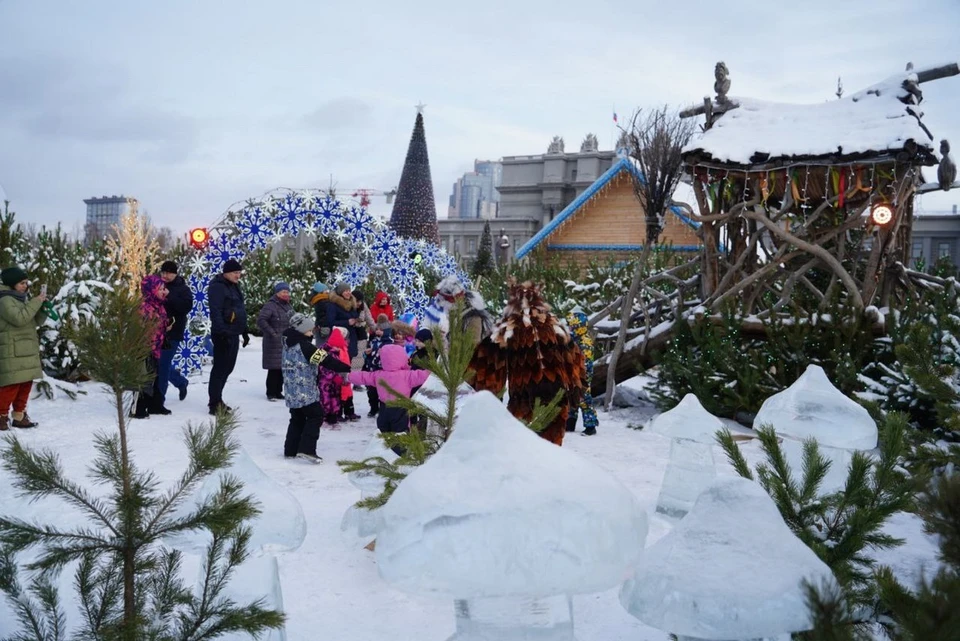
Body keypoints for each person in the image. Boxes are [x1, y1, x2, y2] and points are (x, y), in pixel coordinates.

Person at [281, 312, 351, 463]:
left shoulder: (287, 344)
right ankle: (307, 449)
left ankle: (291, 449)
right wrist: (346, 367)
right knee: (315, 415)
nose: (312, 331)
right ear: (302, 329)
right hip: (305, 389)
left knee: (297, 417)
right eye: (310, 329)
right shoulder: (305, 347)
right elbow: (325, 360)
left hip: (291, 390)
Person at [348, 344, 430, 451]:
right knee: (400, 433)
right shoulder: (408, 375)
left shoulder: (378, 375)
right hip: (401, 409)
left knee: (384, 431)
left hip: (384, 408)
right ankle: (399, 455)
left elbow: (363, 376)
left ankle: (383, 452)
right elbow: (425, 375)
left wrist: (348, 376)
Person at [0, 266, 48, 431]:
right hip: (12, 350)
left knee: (25, 384)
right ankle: (2, 416)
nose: (26, 285)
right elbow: (20, 319)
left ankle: (20, 416)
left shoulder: (21, 298)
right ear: (12, 283)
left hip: (26, 348)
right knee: (11, 385)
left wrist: (42, 310)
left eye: (26, 282)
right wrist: (36, 302)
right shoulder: (5, 300)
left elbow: (34, 322)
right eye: (22, 283)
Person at [207, 259, 248, 415]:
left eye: (239, 273)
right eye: (235, 273)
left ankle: (218, 399)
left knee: (228, 368)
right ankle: (214, 403)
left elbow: (240, 310)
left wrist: (244, 331)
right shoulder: (218, 287)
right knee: (220, 368)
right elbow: (216, 311)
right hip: (223, 334)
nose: (238, 276)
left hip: (233, 332)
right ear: (226, 273)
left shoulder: (234, 287)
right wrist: (221, 331)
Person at [157, 260, 193, 407]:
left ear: (175, 273)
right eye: (163, 272)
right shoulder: (158, 285)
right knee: (158, 363)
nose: (165, 275)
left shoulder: (183, 289)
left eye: (168, 273)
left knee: (163, 364)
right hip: (156, 330)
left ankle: (159, 399)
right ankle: (180, 381)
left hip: (173, 332)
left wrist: (169, 296)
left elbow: (186, 307)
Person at [134, 275, 169, 419]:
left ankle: (152, 405)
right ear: (152, 290)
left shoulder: (158, 305)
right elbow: (142, 329)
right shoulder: (144, 307)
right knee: (144, 378)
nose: (164, 292)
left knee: (153, 376)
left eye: (164, 288)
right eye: (160, 289)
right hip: (145, 348)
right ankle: (138, 409)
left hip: (155, 347)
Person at [565, 309, 599, 436]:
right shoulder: (575, 339)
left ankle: (591, 426)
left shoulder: (585, 342)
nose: (570, 328)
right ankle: (570, 422)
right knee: (571, 396)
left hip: (582, 374)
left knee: (584, 398)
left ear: (579, 326)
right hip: (573, 373)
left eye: (572, 326)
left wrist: (579, 374)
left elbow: (585, 362)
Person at [258, 282, 293, 401]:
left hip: (286, 340)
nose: (286, 294)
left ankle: (278, 391)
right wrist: (272, 333)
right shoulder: (270, 305)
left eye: (287, 292)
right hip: (273, 341)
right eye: (283, 292)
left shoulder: (288, 306)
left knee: (283, 367)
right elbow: (262, 320)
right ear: (277, 293)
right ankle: (271, 392)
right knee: (274, 368)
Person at [318, 325, 349, 425]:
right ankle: (324, 415)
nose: (339, 348)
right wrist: (335, 376)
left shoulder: (335, 353)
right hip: (325, 383)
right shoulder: (325, 353)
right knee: (325, 399)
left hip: (334, 382)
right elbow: (322, 368)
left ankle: (333, 415)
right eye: (338, 346)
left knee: (335, 398)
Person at [362, 316, 393, 418]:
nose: (378, 331)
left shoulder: (389, 342)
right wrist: (366, 355)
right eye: (377, 329)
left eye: (381, 330)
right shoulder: (373, 341)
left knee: (383, 391)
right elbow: (368, 353)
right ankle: (373, 408)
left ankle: (383, 409)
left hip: (382, 370)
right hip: (372, 370)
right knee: (371, 391)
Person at [325, 283, 359, 360]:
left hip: (351, 337)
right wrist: (347, 322)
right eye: (345, 291)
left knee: (349, 361)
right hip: (339, 339)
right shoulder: (333, 305)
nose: (348, 293)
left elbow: (355, 316)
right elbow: (330, 322)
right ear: (340, 292)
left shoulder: (351, 304)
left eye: (349, 290)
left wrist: (357, 321)